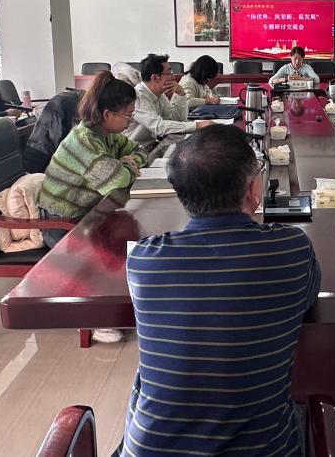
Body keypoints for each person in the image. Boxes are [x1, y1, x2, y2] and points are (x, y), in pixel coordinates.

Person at [120, 125, 320, 457]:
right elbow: (307, 296)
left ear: (179, 193)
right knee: (301, 411)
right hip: (263, 450)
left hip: (151, 449)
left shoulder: (144, 258)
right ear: (253, 188)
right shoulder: (291, 248)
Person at [38, 70, 147, 248]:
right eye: (128, 115)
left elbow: (140, 150)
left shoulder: (106, 134)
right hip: (61, 222)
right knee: (116, 251)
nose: (131, 120)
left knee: (133, 236)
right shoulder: (83, 141)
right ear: (107, 114)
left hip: (90, 214)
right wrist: (122, 165)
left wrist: (127, 162)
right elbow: (117, 181)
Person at [128, 54, 212, 148]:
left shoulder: (160, 94)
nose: (173, 77)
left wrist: (181, 94)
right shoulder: (138, 97)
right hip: (134, 151)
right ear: (155, 78)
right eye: (170, 73)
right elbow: (159, 127)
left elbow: (177, 120)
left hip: (153, 146)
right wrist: (197, 125)